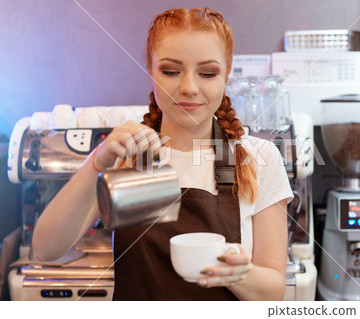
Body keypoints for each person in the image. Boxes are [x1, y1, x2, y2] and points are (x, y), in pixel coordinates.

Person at [32, 7, 293, 301]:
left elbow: (273, 291)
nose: (189, 88)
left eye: (207, 73)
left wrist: (238, 273)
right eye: (170, 71)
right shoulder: (124, 155)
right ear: (150, 68)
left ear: (227, 73)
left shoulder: (260, 157)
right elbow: (46, 250)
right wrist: (98, 161)